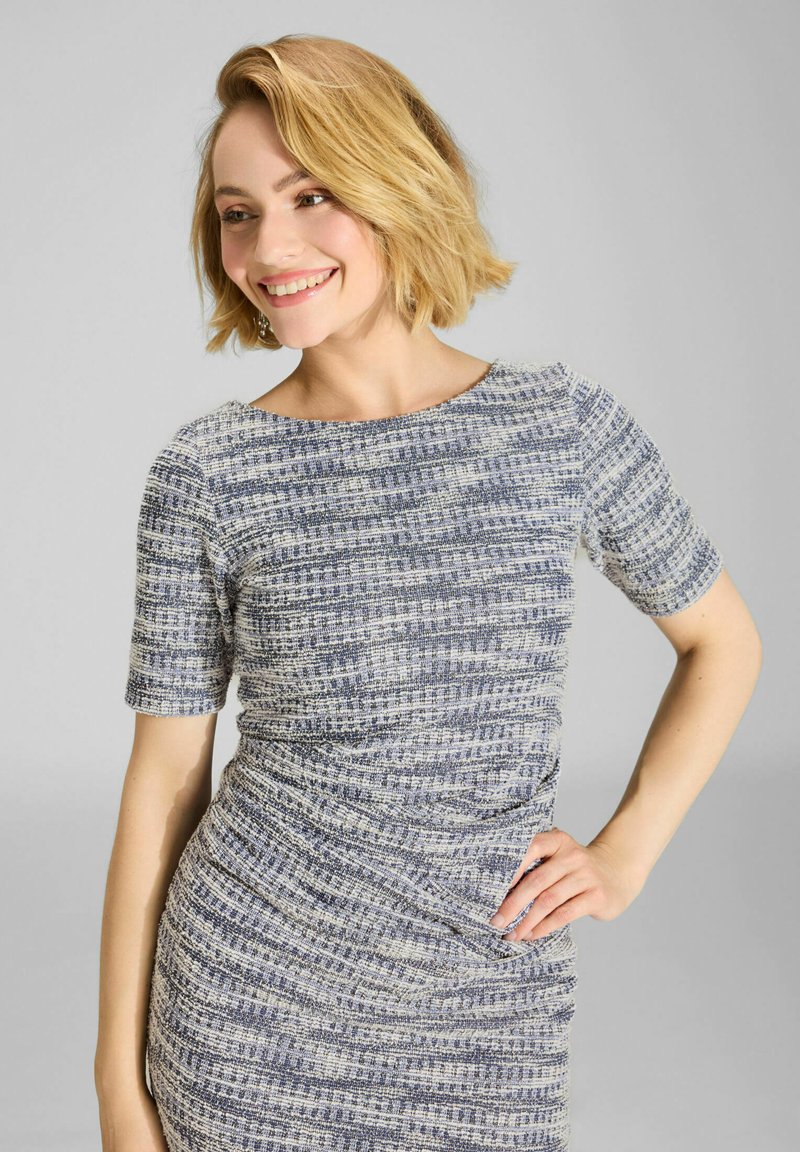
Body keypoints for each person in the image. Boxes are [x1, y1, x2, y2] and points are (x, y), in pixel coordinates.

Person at [94, 32, 762, 1152]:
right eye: (237, 212)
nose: (269, 247)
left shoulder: (558, 428)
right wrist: (120, 1094)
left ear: (397, 184)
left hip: (486, 1016)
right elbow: (163, 781)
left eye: (312, 195)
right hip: (248, 1012)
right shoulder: (209, 473)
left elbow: (723, 643)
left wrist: (626, 851)